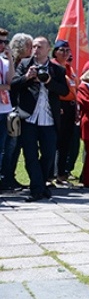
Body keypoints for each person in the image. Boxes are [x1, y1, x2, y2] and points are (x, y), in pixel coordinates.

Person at [11, 37, 69, 202]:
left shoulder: (57, 69)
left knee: (49, 154)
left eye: (40, 46)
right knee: (30, 155)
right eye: (34, 46)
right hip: (29, 118)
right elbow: (14, 84)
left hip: (49, 119)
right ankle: (37, 189)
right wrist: (26, 78)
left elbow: (64, 91)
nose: (36, 49)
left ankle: (40, 185)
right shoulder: (24, 64)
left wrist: (49, 81)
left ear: (48, 49)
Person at [1, 33, 31, 192]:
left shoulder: (9, 61)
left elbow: (10, 83)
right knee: (5, 146)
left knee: (12, 145)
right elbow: (11, 84)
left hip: (11, 109)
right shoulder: (20, 64)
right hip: (8, 108)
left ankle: (8, 176)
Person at [51, 40, 78, 186]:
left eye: (68, 51)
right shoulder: (53, 67)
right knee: (55, 142)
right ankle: (51, 175)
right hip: (59, 105)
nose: (66, 53)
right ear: (55, 52)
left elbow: (74, 88)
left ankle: (61, 174)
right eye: (63, 50)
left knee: (66, 143)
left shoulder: (69, 69)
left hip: (70, 106)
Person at [0, 28, 14, 191]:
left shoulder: (4, 62)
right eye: (0, 42)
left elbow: (12, 82)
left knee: (2, 148)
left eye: (5, 42)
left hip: (5, 109)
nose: (3, 45)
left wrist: (10, 59)